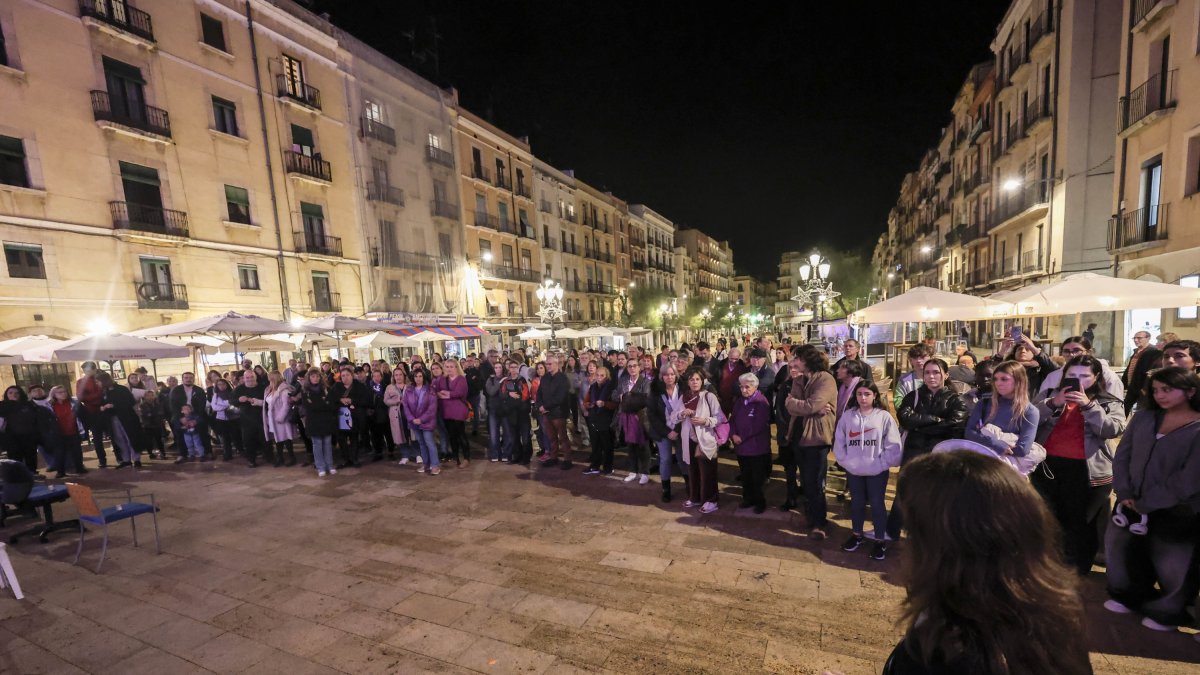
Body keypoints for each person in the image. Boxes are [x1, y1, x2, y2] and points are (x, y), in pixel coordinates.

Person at [884, 451, 1092, 675]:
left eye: (914, 535)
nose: (904, 548)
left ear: (949, 553)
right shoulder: (1055, 626)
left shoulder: (942, 654)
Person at [1104, 367, 1200, 632]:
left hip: (1177, 508)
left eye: (1167, 389)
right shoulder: (1145, 417)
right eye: (1156, 390)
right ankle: (1129, 596)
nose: (1160, 395)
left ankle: (1168, 611)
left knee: (1174, 563)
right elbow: (1123, 454)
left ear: (1191, 391)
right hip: (1131, 499)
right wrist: (1124, 491)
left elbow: (1190, 479)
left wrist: (1149, 501)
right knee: (1124, 552)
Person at [1032, 355, 1126, 575]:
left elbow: (1112, 429)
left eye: (1085, 376)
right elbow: (1028, 420)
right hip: (1048, 466)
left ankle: (1078, 571)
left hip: (1087, 470)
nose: (1078, 380)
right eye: (1072, 375)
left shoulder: (1107, 400)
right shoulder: (1049, 395)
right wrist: (1053, 404)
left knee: (1081, 524)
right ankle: (1051, 568)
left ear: (1096, 377)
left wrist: (1089, 406)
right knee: (1050, 520)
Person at [887, 358, 969, 540]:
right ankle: (891, 531)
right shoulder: (913, 396)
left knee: (934, 497)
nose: (931, 376)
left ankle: (926, 537)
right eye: (927, 373)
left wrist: (921, 424)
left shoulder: (956, 400)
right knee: (905, 492)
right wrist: (937, 420)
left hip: (940, 455)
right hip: (914, 452)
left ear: (946, 375)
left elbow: (954, 424)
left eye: (936, 372)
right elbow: (906, 419)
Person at [834, 380, 902, 560]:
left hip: (876, 471)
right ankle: (857, 534)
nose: (863, 398)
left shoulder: (884, 417)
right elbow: (839, 441)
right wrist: (846, 461)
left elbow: (893, 444)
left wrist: (882, 464)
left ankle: (880, 540)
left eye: (867, 394)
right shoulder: (848, 416)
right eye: (859, 394)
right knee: (857, 503)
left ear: (875, 396)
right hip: (854, 470)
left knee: (877, 504)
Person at [783, 346, 837, 538]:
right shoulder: (798, 379)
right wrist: (810, 408)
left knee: (815, 481)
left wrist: (807, 406)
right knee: (805, 480)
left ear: (807, 359)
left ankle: (819, 523)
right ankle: (811, 515)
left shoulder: (825, 378)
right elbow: (791, 406)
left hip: (816, 436)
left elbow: (810, 404)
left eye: (797, 357)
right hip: (798, 434)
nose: (793, 361)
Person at [965, 360, 1039, 460]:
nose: (998, 383)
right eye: (995, 379)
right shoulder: (984, 403)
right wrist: (996, 445)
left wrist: (983, 437)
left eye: (1004, 379)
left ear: (1019, 380)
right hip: (979, 461)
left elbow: (1023, 449)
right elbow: (969, 433)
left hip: (1005, 468)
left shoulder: (1030, 411)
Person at [676, 366, 726, 514]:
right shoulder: (684, 397)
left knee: (707, 471)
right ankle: (695, 497)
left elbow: (720, 417)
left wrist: (705, 421)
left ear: (703, 381)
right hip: (689, 439)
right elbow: (673, 416)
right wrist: (682, 414)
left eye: (698, 379)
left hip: (705, 439)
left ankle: (711, 500)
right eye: (692, 379)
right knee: (693, 470)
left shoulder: (708, 396)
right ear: (688, 382)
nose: (695, 382)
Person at [730, 372, 772, 514]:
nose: (743, 390)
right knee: (745, 475)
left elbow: (758, 425)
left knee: (757, 477)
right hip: (742, 447)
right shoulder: (740, 401)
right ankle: (748, 499)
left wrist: (741, 436)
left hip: (756, 447)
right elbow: (733, 419)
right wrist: (733, 434)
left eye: (747, 387)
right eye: (741, 387)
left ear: (755, 386)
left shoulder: (761, 401)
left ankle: (760, 502)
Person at [1035, 336, 1124, 402]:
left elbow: (1114, 404)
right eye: (1066, 351)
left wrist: (1089, 407)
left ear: (1089, 352)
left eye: (1076, 350)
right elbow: (1039, 404)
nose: (1071, 355)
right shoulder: (1053, 377)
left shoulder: (1108, 376)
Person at [647, 364, 683, 502]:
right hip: (662, 431)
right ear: (662, 377)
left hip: (679, 430)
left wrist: (677, 430)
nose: (669, 377)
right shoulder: (655, 391)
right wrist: (668, 432)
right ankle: (666, 489)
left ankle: (689, 485)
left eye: (672, 374)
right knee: (666, 459)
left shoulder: (682, 389)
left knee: (682, 459)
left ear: (676, 375)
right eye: (666, 375)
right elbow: (652, 415)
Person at [95, 371, 145, 469]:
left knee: (130, 437)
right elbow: (101, 403)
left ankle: (136, 459)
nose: (97, 384)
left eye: (98, 381)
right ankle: (126, 459)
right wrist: (102, 407)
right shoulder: (104, 392)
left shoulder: (121, 389)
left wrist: (114, 405)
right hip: (112, 419)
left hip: (126, 418)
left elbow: (130, 402)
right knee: (119, 439)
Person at [616, 358, 652, 483]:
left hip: (641, 417)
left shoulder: (646, 382)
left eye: (634, 366)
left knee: (643, 446)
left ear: (639, 368)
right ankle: (633, 471)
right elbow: (615, 395)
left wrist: (626, 397)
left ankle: (645, 472)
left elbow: (645, 399)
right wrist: (623, 397)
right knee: (630, 446)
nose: (632, 368)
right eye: (629, 366)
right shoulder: (623, 380)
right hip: (626, 417)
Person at [298, 368, 337, 477]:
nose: (315, 378)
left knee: (327, 443)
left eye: (317, 376)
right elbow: (308, 406)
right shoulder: (305, 391)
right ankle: (320, 466)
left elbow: (331, 404)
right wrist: (323, 404)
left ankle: (329, 465)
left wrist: (319, 404)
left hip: (326, 420)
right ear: (309, 378)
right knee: (317, 444)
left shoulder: (326, 389)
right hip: (314, 421)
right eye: (313, 376)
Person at [536, 354, 573, 468]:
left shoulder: (562, 378)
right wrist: (540, 405)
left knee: (562, 437)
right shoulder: (546, 377)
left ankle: (567, 459)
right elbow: (539, 393)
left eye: (550, 364)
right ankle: (553, 457)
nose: (548, 366)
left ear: (556, 364)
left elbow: (560, 397)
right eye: (546, 364)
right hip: (546, 413)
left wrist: (545, 406)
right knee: (551, 437)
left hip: (558, 413)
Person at [582, 364, 618, 475]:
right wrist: (588, 405)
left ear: (606, 376)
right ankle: (595, 465)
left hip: (606, 419)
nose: (599, 377)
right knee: (595, 444)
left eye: (601, 375)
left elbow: (615, 404)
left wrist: (605, 403)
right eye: (597, 375)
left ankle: (608, 467)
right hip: (594, 418)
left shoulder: (611, 387)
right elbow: (586, 401)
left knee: (607, 445)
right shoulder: (592, 387)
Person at [404, 367, 440, 475]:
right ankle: (426, 464)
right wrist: (412, 419)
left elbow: (432, 408)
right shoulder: (409, 390)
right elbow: (405, 405)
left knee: (429, 443)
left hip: (427, 421)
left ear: (424, 377)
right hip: (414, 422)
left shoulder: (430, 389)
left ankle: (435, 465)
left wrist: (422, 419)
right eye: (416, 376)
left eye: (420, 376)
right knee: (422, 444)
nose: (418, 378)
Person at [331, 368, 369, 469]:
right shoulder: (336, 387)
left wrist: (352, 400)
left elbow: (365, 400)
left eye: (347, 375)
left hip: (354, 417)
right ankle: (345, 459)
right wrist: (340, 400)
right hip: (340, 417)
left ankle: (354, 458)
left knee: (354, 438)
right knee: (342, 439)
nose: (345, 377)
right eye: (343, 376)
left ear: (352, 375)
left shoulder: (359, 386)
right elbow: (330, 400)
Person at [170, 372, 211, 462]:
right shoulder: (176, 390)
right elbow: (173, 405)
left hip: (196, 415)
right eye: (186, 377)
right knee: (179, 434)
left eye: (191, 377)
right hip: (180, 415)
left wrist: (195, 420)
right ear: (183, 379)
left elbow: (202, 405)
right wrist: (181, 418)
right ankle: (182, 454)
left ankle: (207, 452)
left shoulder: (199, 390)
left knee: (203, 432)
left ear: (194, 379)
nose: (188, 379)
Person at [438, 359, 471, 467]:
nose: (449, 369)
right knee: (452, 436)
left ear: (457, 367)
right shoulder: (443, 379)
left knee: (461, 434)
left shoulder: (461, 379)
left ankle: (466, 458)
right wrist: (446, 394)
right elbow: (437, 391)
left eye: (451, 366)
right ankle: (456, 457)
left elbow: (460, 393)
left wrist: (447, 394)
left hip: (458, 410)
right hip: (446, 410)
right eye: (447, 366)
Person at [75, 362, 109, 467]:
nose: (87, 372)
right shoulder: (81, 382)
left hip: (107, 409)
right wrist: (98, 393)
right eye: (85, 371)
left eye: (90, 370)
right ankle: (102, 459)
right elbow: (81, 397)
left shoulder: (101, 379)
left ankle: (121, 457)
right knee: (97, 437)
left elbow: (109, 391)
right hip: (92, 411)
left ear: (94, 370)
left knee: (113, 433)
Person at [0, 386, 41, 473]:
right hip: (11, 438)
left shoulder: (28, 405)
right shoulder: (2, 405)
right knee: (15, 459)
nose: (13, 395)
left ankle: (32, 473)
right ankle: (19, 477)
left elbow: (35, 419)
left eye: (16, 393)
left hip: (28, 436)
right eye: (10, 393)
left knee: (30, 457)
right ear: (6, 394)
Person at [232, 369, 268, 467]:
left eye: (252, 377)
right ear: (244, 378)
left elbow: (268, 402)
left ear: (255, 377)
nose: (249, 379)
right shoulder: (239, 389)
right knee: (248, 440)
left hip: (261, 417)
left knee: (265, 439)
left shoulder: (263, 388)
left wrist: (257, 401)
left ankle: (269, 456)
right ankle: (251, 460)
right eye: (247, 377)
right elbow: (232, 401)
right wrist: (238, 400)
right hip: (246, 419)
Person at [263, 371, 297, 467]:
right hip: (272, 419)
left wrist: (280, 417)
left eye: (271, 379)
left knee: (286, 439)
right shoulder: (269, 390)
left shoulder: (284, 390)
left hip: (281, 419)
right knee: (277, 439)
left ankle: (291, 457)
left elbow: (286, 405)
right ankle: (280, 457)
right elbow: (267, 402)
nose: (269, 381)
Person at [1122, 330, 1160, 414]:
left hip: (1142, 386)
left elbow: (1149, 370)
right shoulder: (1136, 351)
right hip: (1133, 385)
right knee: (1125, 407)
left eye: (1139, 338)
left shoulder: (1152, 352)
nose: (1136, 340)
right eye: (1134, 338)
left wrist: (1145, 387)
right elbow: (1130, 368)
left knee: (1141, 410)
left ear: (1148, 338)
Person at [385, 367, 415, 465]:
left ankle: (417, 454)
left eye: (400, 374)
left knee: (413, 434)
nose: (398, 377)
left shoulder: (410, 386)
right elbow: (386, 401)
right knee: (401, 434)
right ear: (393, 377)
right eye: (396, 375)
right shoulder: (390, 387)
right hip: (397, 414)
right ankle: (405, 455)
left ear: (404, 375)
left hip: (410, 413)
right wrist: (397, 401)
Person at [893, 344, 934, 411]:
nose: (918, 360)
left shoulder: (937, 377)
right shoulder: (904, 380)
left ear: (931, 357)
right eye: (915, 358)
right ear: (910, 360)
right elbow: (898, 402)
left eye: (922, 357)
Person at [365, 369, 393, 462]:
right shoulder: (368, 388)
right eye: (375, 376)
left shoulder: (386, 387)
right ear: (372, 377)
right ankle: (378, 452)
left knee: (388, 434)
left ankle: (391, 451)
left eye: (378, 376)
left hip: (385, 414)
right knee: (375, 435)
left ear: (381, 377)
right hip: (373, 415)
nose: (377, 378)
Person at [137, 390, 166, 459]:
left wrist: (152, 414)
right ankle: (151, 453)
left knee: (159, 439)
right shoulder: (142, 405)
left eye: (152, 395)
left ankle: (162, 452)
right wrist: (152, 414)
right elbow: (145, 414)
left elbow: (160, 413)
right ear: (145, 396)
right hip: (147, 425)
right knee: (149, 441)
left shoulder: (157, 404)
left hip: (157, 424)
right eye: (148, 395)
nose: (150, 397)